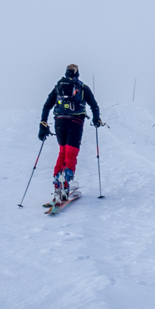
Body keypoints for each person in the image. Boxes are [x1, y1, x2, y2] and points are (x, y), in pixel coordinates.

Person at [39, 64, 103, 205]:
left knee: (62, 152)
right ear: (77, 73)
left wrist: (43, 123)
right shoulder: (82, 87)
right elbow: (94, 105)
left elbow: (47, 105)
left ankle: (57, 184)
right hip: (75, 122)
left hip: (59, 122)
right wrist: (96, 119)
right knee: (71, 154)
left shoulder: (58, 87)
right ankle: (66, 182)